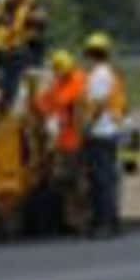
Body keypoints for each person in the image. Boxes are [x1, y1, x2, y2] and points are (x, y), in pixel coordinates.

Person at [76, 31, 127, 238]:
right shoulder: (110, 73)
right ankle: (111, 221)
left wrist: (86, 128)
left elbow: (96, 106)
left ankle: (103, 224)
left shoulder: (98, 76)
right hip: (110, 130)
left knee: (100, 181)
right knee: (108, 179)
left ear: (91, 53)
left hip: (100, 132)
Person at [33, 48, 88, 231]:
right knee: (64, 181)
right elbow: (44, 104)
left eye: (59, 71)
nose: (58, 75)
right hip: (64, 141)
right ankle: (71, 220)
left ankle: (82, 218)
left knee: (79, 182)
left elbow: (78, 111)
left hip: (77, 142)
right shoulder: (58, 83)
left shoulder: (78, 82)